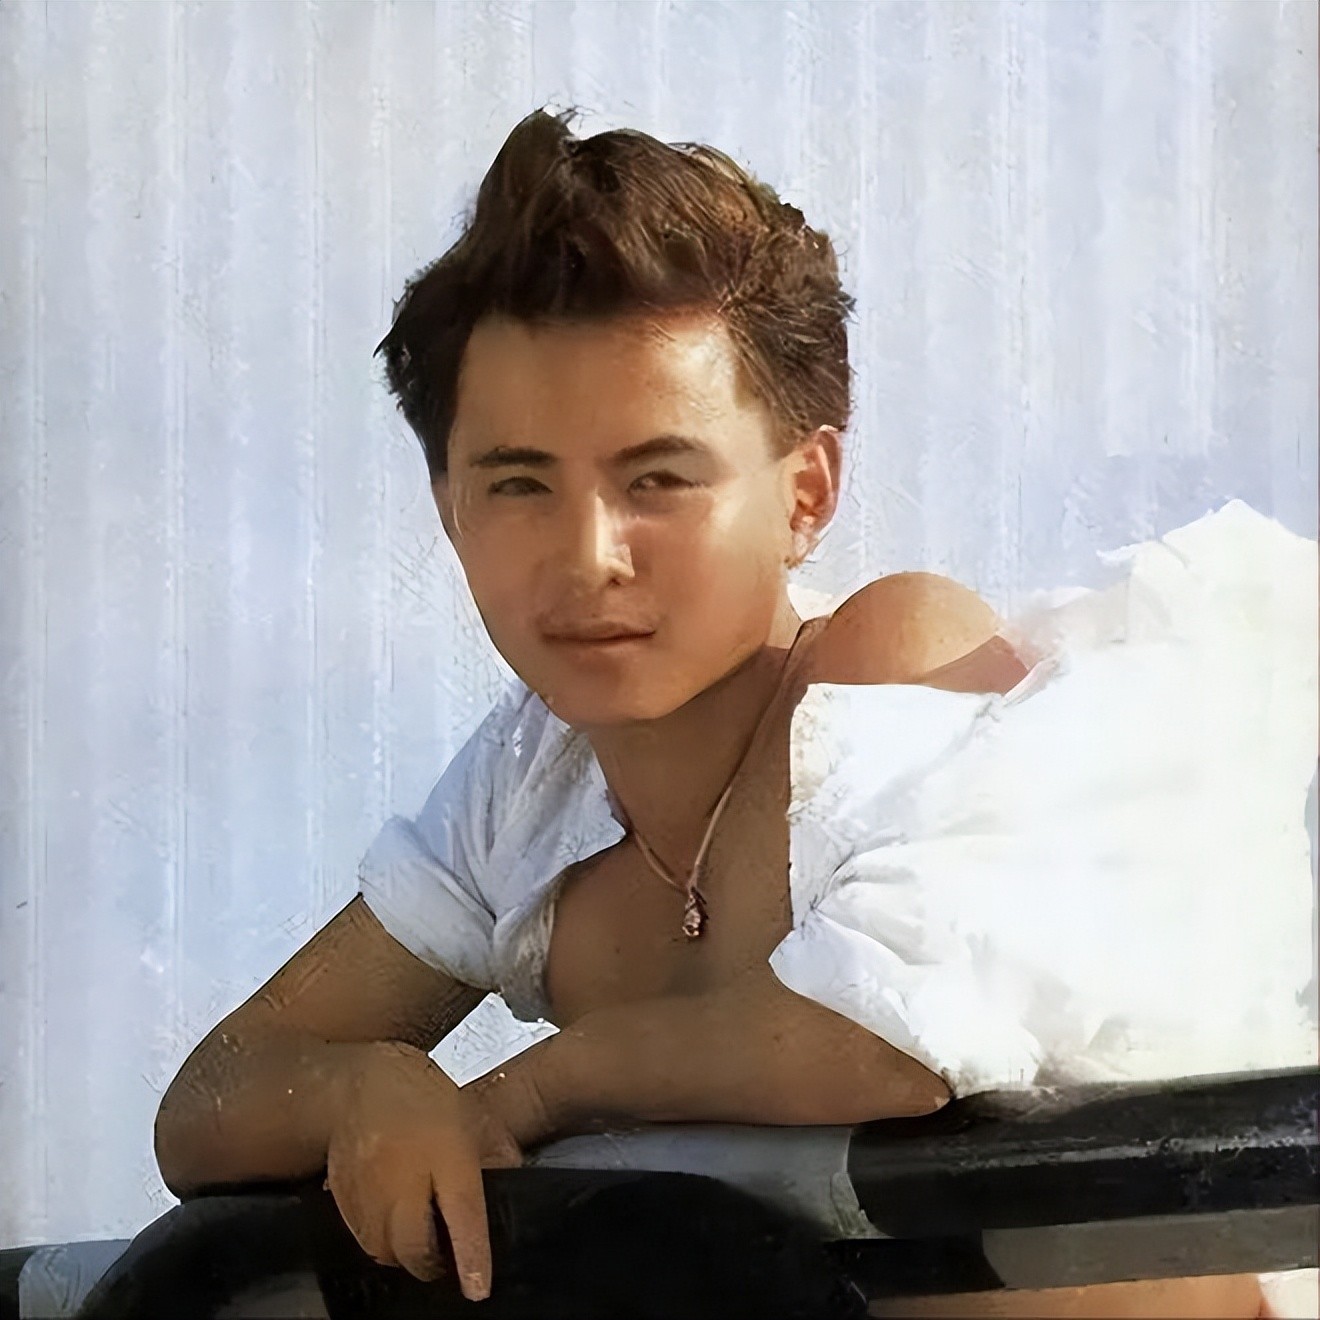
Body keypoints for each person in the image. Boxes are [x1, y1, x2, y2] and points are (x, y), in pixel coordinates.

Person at [153, 108, 1315, 1317]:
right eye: (520, 485)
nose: (589, 556)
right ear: (450, 509)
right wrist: (370, 1091)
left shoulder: (889, 654)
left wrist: (534, 1092)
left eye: (658, 479)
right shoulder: (529, 780)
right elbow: (210, 1097)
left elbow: (882, 1042)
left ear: (806, 494)